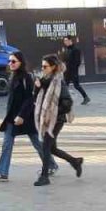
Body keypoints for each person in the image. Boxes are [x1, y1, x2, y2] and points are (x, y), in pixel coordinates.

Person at [0, 51, 42, 182]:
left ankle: (51, 164)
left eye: (13, 61)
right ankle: (2, 173)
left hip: (25, 116)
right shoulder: (12, 76)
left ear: (21, 62)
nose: (10, 64)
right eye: (9, 61)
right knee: (7, 144)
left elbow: (29, 99)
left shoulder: (26, 78)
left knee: (37, 142)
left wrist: (21, 115)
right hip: (12, 117)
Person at [33, 55, 84, 187]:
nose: (43, 69)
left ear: (53, 67)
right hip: (47, 119)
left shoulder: (58, 82)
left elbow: (68, 102)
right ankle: (75, 161)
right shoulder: (44, 80)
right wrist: (37, 87)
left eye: (45, 66)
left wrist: (53, 112)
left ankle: (44, 177)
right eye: (42, 66)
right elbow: (36, 98)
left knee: (45, 147)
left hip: (56, 120)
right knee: (52, 148)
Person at [60, 35, 90, 105]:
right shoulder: (66, 49)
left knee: (76, 85)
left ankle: (86, 97)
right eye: (64, 41)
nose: (65, 42)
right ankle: (64, 100)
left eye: (66, 40)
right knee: (65, 85)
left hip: (73, 71)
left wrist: (72, 69)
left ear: (70, 41)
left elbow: (77, 62)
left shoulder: (76, 50)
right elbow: (64, 60)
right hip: (66, 71)